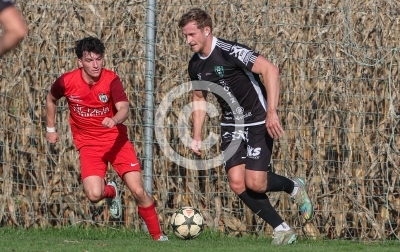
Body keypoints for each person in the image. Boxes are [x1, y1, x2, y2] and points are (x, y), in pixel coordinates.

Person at [178, 8, 313, 245]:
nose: (188, 41)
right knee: (237, 182)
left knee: (256, 182)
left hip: (259, 120)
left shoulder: (230, 52)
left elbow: (270, 70)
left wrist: (272, 112)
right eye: (185, 36)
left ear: (206, 30)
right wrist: (196, 134)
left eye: (191, 35)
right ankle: (282, 229)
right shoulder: (195, 65)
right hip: (232, 124)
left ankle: (294, 187)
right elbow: (199, 98)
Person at [45, 37, 168, 241]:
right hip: (89, 145)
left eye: (99, 59)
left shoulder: (111, 79)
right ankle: (111, 191)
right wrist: (50, 128)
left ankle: (158, 237)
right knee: (94, 195)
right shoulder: (67, 82)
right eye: (89, 60)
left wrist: (114, 119)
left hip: (116, 142)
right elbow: (51, 98)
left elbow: (124, 108)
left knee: (138, 190)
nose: (95, 65)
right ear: (79, 62)